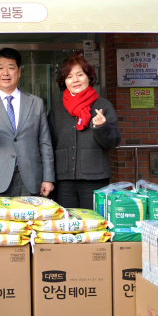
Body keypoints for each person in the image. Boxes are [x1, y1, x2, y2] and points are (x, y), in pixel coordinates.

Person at [0, 47, 54, 197]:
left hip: (30, 178)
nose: (6, 73)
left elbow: (45, 143)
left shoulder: (36, 103)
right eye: (0, 68)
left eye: (11, 67)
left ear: (19, 72)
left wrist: (48, 178)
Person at [48, 54, 121, 209]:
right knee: (67, 221)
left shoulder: (103, 105)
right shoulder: (57, 109)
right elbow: (49, 143)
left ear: (89, 77)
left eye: (80, 75)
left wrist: (101, 127)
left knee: (93, 221)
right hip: (63, 180)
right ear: (64, 81)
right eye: (69, 77)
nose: (75, 80)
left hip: (95, 178)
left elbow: (113, 142)